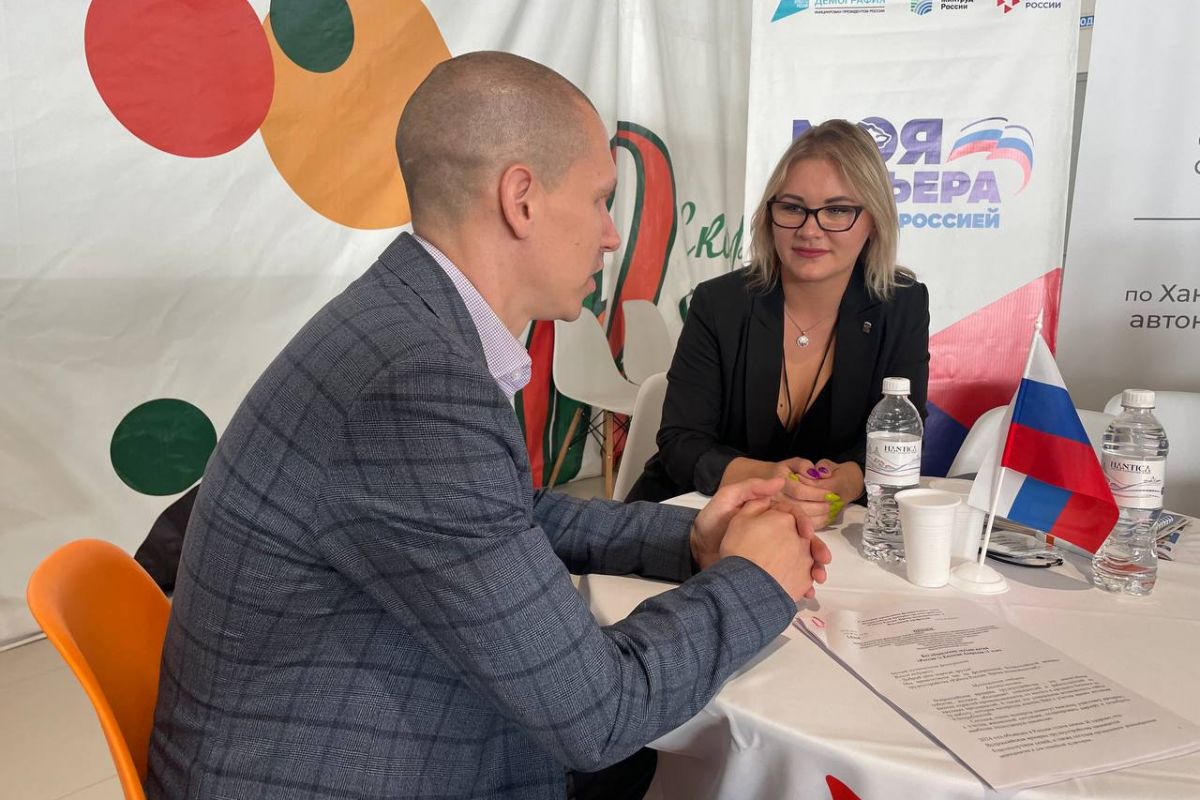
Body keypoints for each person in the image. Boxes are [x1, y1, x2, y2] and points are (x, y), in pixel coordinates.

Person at [145, 52, 831, 800]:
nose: (610, 235)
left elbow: (503, 512)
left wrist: (690, 539)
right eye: (600, 199)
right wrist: (754, 580)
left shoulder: (402, 322)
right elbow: (600, 713)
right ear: (521, 199)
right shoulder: (417, 380)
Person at [625, 119, 930, 524]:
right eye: (792, 208)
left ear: (873, 219)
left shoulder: (902, 305)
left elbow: (900, 436)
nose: (809, 230)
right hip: (693, 514)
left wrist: (848, 482)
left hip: (824, 529)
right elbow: (681, 444)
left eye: (837, 210)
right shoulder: (719, 303)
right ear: (770, 214)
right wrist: (770, 478)